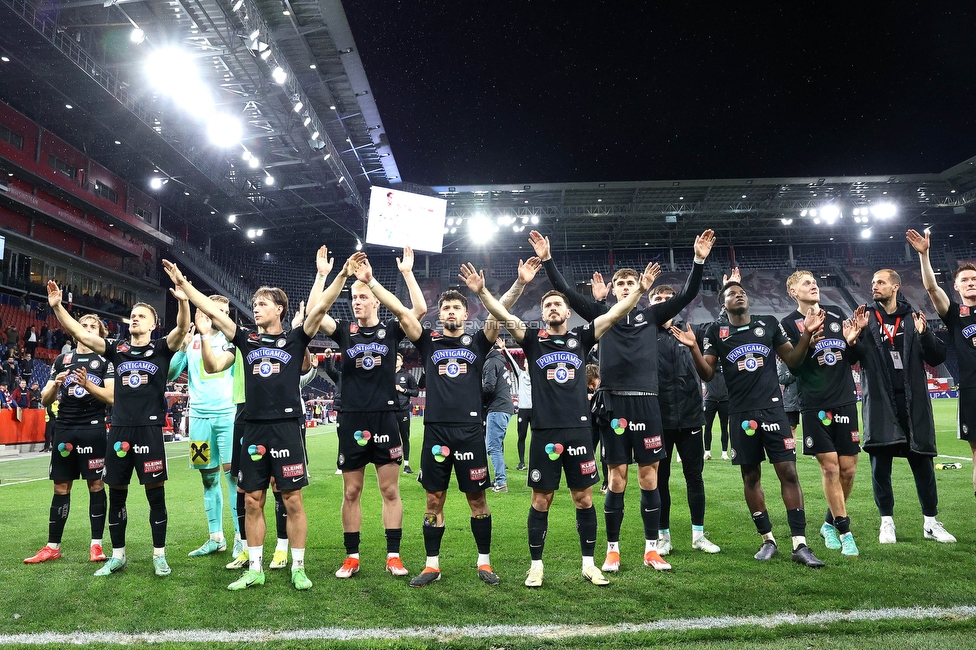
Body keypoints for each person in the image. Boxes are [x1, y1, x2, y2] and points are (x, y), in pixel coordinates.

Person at [463, 258, 655, 587]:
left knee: (584, 499)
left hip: (579, 431)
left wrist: (638, 289)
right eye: (548, 304)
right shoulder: (533, 339)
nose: (553, 308)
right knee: (541, 500)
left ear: (568, 313)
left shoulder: (581, 338)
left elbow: (614, 314)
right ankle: (536, 566)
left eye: (558, 304)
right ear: (543, 313)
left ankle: (588, 564)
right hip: (544, 432)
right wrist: (482, 292)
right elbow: (503, 316)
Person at [531, 228, 715, 573]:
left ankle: (650, 550)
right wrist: (548, 260)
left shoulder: (652, 316)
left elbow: (688, 293)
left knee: (649, 478)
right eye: (621, 284)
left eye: (631, 284)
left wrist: (698, 260)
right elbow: (568, 292)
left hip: (648, 403)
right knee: (617, 480)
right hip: (613, 403)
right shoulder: (602, 319)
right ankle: (612, 551)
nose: (627, 288)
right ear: (613, 291)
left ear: (639, 289)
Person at [163, 251, 344, 591]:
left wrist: (330, 275)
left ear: (279, 309)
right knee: (251, 500)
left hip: (287, 428)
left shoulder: (295, 338)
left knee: (292, 500)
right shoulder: (246, 340)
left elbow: (320, 308)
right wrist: (184, 284)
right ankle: (255, 568)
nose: (256, 307)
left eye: (263, 303)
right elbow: (214, 309)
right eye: (255, 303)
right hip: (253, 427)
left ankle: (298, 567)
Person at [359, 256, 537, 588]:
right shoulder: (428, 342)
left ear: (466, 314)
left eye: (458, 307)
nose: (452, 311)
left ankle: (484, 562)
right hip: (436, 431)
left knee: (477, 499)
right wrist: (371, 283)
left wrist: (520, 283)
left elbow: (501, 311)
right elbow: (401, 313)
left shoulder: (479, 342)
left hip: (469, 432)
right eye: (447, 308)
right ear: (440, 315)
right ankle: (432, 565)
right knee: (433, 500)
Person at [673, 281, 826, 567]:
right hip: (741, 415)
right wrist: (694, 347)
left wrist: (806, 334)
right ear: (723, 304)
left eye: (742, 292)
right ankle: (767, 540)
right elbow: (706, 374)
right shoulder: (715, 332)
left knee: (788, 472)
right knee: (751, 477)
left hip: (773, 411)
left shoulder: (768, 323)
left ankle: (800, 544)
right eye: (732, 293)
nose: (739, 294)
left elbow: (793, 362)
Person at [47, 280, 189, 577]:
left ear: (153, 325)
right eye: (133, 315)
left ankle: (159, 555)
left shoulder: (162, 348)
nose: (134, 318)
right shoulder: (116, 350)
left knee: (155, 496)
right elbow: (77, 332)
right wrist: (58, 306)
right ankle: (118, 555)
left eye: (141, 316)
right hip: (119, 430)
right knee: (117, 494)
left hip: (149, 431)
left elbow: (181, 328)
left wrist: (184, 302)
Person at [307, 245, 426, 580]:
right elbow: (315, 312)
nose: (357, 301)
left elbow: (418, 308)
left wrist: (400, 274)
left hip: (385, 417)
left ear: (374, 301)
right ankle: (352, 556)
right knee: (351, 492)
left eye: (362, 297)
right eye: (354, 297)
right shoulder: (345, 331)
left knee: (390, 490)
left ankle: (393, 555)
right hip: (352, 418)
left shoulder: (391, 330)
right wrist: (324, 275)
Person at [852, 266, 954, 544]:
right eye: (873, 282)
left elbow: (935, 358)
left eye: (881, 282)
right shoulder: (865, 317)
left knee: (922, 462)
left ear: (895, 287)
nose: (875, 286)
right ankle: (887, 522)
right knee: (880, 464)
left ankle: (931, 522)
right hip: (881, 400)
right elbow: (853, 357)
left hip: (914, 401)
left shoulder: (913, 318)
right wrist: (852, 340)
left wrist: (925, 335)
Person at [781, 271, 864, 557]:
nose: (814, 285)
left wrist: (853, 342)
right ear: (793, 291)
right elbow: (794, 367)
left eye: (814, 281)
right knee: (830, 468)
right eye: (806, 283)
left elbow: (850, 358)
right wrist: (807, 336)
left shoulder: (837, 314)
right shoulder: (788, 325)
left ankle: (828, 524)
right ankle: (845, 531)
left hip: (845, 400)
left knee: (849, 470)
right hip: (814, 404)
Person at [25, 314, 114, 565]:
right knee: (60, 487)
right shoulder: (62, 360)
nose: (86, 329)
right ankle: (53, 546)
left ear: (99, 333)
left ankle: (96, 545)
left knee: (96, 485)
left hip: (92, 428)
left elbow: (111, 396)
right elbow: (45, 399)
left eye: (91, 326)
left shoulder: (104, 359)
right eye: (82, 325)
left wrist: (88, 385)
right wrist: (55, 386)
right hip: (64, 428)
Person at [167, 295, 243, 559]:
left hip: (227, 418)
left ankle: (240, 539)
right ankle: (215, 538)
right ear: (204, 313)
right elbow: (170, 375)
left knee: (234, 478)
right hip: (199, 420)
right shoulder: (192, 343)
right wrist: (181, 348)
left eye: (225, 311)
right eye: (216, 311)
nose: (221, 315)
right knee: (208, 478)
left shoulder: (233, 342)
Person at [649, 284, 720, 556]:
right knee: (661, 479)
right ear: (650, 302)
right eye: (659, 298)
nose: (664, 302)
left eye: (669, 298)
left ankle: (698, 535)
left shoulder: (695, 331)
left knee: (695, 477)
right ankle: (663, 537)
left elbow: (707, 373)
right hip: (658, 418)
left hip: (691, 416)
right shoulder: (646, 332)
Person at [907, 230, 976, 504]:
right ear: (957, 287)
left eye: (974, 279)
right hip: (973, 390)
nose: (971, 283)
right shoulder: (956, 316)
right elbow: (932, 289)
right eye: (965, 280)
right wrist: (924, 255)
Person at [483, 338, 514, 493]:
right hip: (504, 408)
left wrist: (474, 395)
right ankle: (497, 479)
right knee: (496, 446)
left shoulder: (490, 362)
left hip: (497, 408)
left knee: (493, 447)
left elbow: (488, 387)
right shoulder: (500, 361)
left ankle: (501, 482)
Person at [394, 353, 420, 475]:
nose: (395, 361)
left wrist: (403, 390)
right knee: (390, 438)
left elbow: (416, 392)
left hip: (403, 410)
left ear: (401, 362)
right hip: (389, 411)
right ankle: (391, 463)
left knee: (405, 438)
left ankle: (406, 465)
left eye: (397, 359)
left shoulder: (408, 376)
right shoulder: (386, 375)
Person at [702, 366, 730, 461]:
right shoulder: (709, 367)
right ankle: (707, 452)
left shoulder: (726, 367)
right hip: (710, 400)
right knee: (708, 427)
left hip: (724, 400)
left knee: (724, 427)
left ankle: (724, 453)